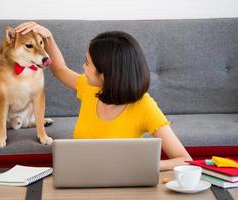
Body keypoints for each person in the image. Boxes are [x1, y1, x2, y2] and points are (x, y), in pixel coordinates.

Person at [14, 21, 192, 171]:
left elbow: (184, 159)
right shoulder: (90, 87)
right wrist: (48, 37)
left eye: (87, 63)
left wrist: (142, 166)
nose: (83, 67)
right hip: (80, 176)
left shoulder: (144, 106)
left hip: (122, 184)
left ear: (106, 74)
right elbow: (60, 70)